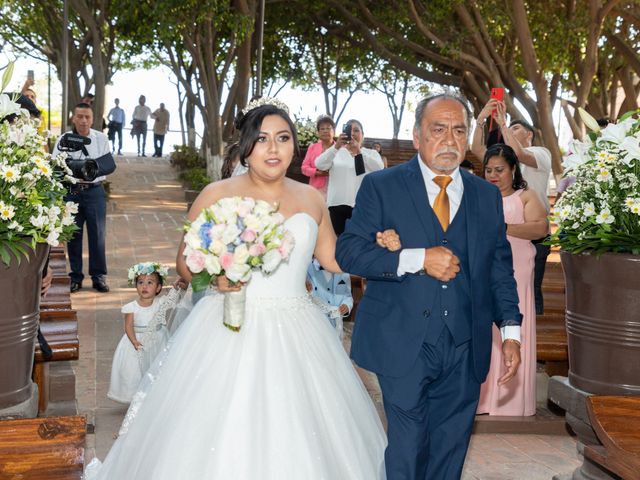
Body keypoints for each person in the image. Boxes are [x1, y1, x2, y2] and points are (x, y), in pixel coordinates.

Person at [85, 98, 386, 479]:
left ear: (295, 145)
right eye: (262, 139)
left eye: (283, 138)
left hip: (297, 326)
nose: (273, 148)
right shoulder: (218, 193)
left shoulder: (311, 198)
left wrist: (379, 248)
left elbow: (333, 259)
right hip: (226, 325)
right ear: (246, 146)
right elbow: (184, 261)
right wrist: (215, 278)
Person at [336, 93, 522, 479]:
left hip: (464, 343)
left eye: (458, 130)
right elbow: (349, 253)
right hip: (400, 339)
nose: (450, 140)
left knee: (450, 447)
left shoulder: (485, 196)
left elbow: (499, 270)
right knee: (408, 444)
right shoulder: (380, 186)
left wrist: (511, 332)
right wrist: (417, 258)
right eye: (438, 129)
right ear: (417, 136)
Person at [477, 144, 548, 416]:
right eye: (489, 170)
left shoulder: (525, 196)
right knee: (488, 327)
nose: (493, 175)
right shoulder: (480, 197)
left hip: (518, 269)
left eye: (500, 170)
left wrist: (503, 228)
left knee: (511, 324)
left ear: (513, 169)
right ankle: (483, 398)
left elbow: (540, 228)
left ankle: (511, 401)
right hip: (485, 271)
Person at [471, 99, 551, 315]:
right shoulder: (500, 161)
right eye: (491, 170)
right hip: (498, 242)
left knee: (529, 294)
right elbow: (477, 148)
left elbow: (519, 154)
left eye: (517, 127)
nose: (494, 174)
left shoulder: (540, 153)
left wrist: (503, 123)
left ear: (529, 134)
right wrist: (481, 120)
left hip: (532, 234)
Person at [52, 103, 113, 293]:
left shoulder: (101, 138)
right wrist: (70, 168)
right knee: (73, 236)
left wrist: (90, 168)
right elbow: (55, 165)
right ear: (73, 118)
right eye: (80, 116)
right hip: (72, 192)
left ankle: (98, 277)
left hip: (95, 191)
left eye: (87, 117)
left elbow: (109, 164)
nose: (84, 120)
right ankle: (75, 277)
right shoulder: (64, 139)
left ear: (93, 118)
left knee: (98, 236)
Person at [108, 263, 186, 404]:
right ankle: (135, 397)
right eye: (140, 282)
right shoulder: (131, 307)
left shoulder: (160, 303)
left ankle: (154, 397)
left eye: (150, 283)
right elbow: (128, 326)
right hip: (137, 342)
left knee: (156, 368)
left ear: (158, 288)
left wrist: (176, 285)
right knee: (133, 371)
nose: (144, 286)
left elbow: (172, 298)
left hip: (157, 340)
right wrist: (134, 342)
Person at [315, 119, 384, 236]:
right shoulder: (336, 152)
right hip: (337, 205)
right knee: (338, 242)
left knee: (360, 242)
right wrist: (336, 147)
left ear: (363, 135)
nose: (352, 134)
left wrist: (358, 152)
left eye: (356, 130)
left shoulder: (370, 153)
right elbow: (319, 164)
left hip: (362, 206)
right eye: (349, 130)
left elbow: (379, 168)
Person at [306, 257, 353, 340]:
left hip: (336, 322)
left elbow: (348, 295)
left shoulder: (344, 270)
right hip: (317, 321)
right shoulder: (308, 269)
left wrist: (346, 305)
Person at [300, 115, 336, 196]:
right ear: (318, 132)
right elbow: (304, 168)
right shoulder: (312, 147)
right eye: (322, 129)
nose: (325, 131)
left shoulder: (341, 148)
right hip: (316, 189)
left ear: (334, 131)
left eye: (328, 128)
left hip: (336, 189)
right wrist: (316, 172)